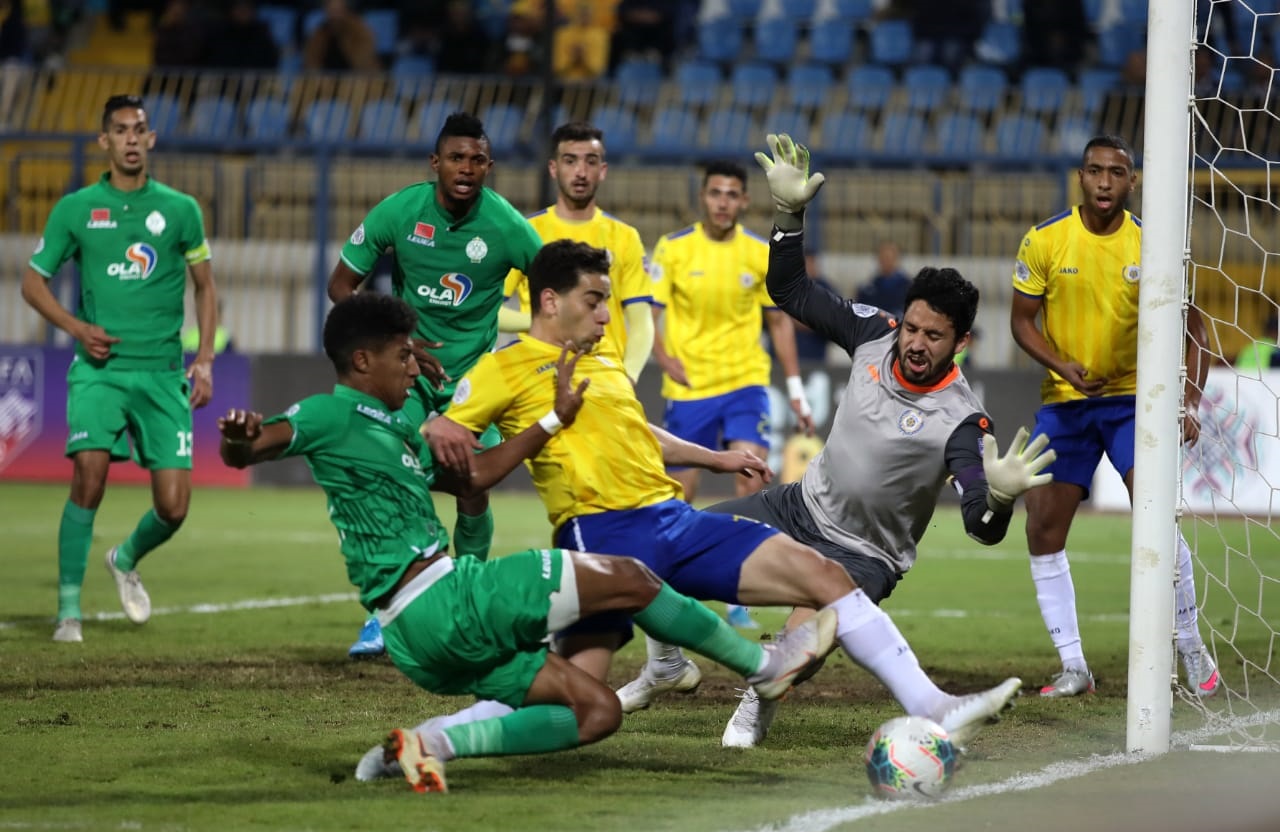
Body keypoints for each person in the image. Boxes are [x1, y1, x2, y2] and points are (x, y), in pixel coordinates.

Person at [401, 239, 1024, 767]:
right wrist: (527, 424)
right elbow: (449, 450)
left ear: (959, 342)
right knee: (584, 694)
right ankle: (754, 667)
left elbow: (634, 431)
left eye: (932, 335)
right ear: (549, 302)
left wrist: (714, 458)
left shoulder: (601, 357)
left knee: (820, 585)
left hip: (692, 522)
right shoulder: (504, 371)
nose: (606, 315)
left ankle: (929, 705)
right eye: (596, 301)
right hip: (606, 531)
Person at [218, 291, 832, 794]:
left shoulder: (398, 428)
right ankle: (764, 667)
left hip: (420, 638)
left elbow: (480, 475)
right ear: (360, 363)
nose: (415, 364)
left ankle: (430, 743)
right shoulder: (330, 414)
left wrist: (546, 421)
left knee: (597, 714)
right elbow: (251, 447)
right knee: (632, 578)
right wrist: (243, 437)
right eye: (403, 355)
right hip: (440, 598)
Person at [626, 133, 1057, 747]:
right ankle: (666, 664)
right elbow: (792, 292)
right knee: (661, 550)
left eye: (933, 336)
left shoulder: (964, 420)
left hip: (864, 554)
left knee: (796, 651)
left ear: (960, 343)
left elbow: (978, 526)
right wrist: (788, 217)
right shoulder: (874, 334)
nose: (913, 342)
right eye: (911, 326)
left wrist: (1000, 499)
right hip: (797, 506)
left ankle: (755, 705)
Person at [1010, 134, 1220, 698]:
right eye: (1095, 170)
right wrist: (1064, 365)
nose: (1105, 181)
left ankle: (1188, 641)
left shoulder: (1153, 244)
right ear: (1080, 177)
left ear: (1133, 181)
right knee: (1043, 528)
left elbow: (1195, 331)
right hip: (1066, 402)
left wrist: (1188, 400)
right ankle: (1075, 666)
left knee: (1156, 517)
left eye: (1117, 172)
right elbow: (1022, 322)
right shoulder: (1045, 240)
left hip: (1135, 404)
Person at [327, 111, 542, 657]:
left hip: (475, 386)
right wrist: (394, 344)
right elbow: (341, 285)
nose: (465, 168)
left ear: (489, 166)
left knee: (472, 488)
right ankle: (386, 612)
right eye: (455, 158)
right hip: (410, 381)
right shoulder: (401, 211)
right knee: (395, 482)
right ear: (435, 163)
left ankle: (464, 601)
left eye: (476, 160)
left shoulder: (509, 227)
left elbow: (550, 295)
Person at [20, 93, 219, 643]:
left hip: (161, 374)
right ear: (104, 141)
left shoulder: (181, 210)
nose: (131, 138)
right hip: (99, 371)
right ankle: (67, 612)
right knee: (89, 474)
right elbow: (31, 282)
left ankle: (125, 557)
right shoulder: (77, 208)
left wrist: (203, 359)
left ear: (151, 140)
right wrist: (77, 327)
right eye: (120, 130)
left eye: (140, 129)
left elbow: (206, 286)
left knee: (174, 508)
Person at [650, 159, 814, 504]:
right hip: (689, 387)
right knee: (680, 495)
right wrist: (663, 358)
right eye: (715, 194)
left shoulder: (758, 252)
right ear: (702, 197)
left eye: (731, 195)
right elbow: (648, 314)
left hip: (745, 381)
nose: (722, 203)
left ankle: (741, 558)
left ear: (744, 201)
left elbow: (779, 321)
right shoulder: (673, 248)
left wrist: (796, 390)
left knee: (751, 481)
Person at [503, 121, 654, 384]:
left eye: (591, 162)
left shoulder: (625, 237)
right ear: (553, 168)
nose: (581, 172)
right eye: (570, 161)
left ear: (603, 170)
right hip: (537, 377)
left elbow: (641, 322)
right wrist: (540, 322)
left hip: (604, 379)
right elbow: (491, 312)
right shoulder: (525, 232)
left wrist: (629, 376)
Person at [302, 0, 380, 72]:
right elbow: (311, 60)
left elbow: (364, 59)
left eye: (338, 10)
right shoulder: (320, 32)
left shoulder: (359, 29)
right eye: (331, 9)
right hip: (327, 80)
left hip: (357, 77)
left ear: (345, 9)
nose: (334, 14)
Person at [854, 239, 911, 317]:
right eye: (883, 257)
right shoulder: (867, 289)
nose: (886, 261)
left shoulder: (908, 287)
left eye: (890, 257)